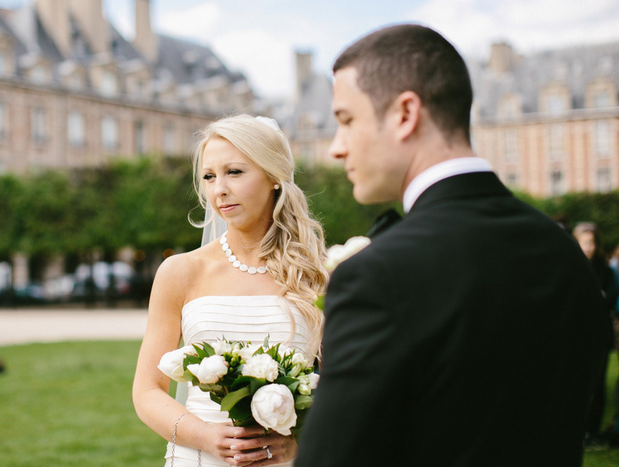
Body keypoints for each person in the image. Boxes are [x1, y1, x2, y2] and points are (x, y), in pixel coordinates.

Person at [295, 24, 609, 467]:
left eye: (346, 121)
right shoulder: (564, 254)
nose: (336, 148)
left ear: (405, 113)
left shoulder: (377, 276)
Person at [132, 114, 328, 466]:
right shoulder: (180, 271)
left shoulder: (317, 274)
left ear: (273, 177)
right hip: (198, 458)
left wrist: (301, 441)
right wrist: (206, 437)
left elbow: (346, 386)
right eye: (209, 176)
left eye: (234, 172)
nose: (218, 189)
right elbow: (147, 391)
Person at [572, 222, 618, 447]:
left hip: (599, 333)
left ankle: (593, 430)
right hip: (577, 334)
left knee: (597, 384)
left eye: (591, 242)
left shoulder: (606, 270)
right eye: (584, 242)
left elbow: (607, 299)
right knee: (577, 383)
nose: (588, 247)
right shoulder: (571, 266)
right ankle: (577, 429)